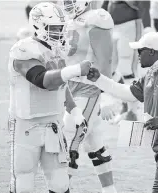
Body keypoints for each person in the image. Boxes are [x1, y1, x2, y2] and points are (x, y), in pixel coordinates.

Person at [86, 32, 158, 193]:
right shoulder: (151, 73)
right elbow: (127, 92)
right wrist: (99, 79)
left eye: (140, 51)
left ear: (152, 52)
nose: (137, 55)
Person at [8, 2, 91, 193]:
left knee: (60, 184)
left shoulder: (55, 50)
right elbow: (42, 80)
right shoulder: (23, 50)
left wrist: (76, 111)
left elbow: (60, 86)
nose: (59, 33)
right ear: (38, 25)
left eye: (61, 28)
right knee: (24, 184)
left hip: (53, 125)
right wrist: (76, 69)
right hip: (26, 127)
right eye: (54, 28)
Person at [61, 0, 118, 192]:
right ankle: (110, 190)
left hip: (88, 87)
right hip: (69, 86)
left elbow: (105, 59)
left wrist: (108, 94)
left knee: (71, 136)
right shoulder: (70, 20)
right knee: (94, 142)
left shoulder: (97, 19)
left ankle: (59, 188)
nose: (67, 3)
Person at [102, 0, 154, 122]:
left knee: (128, 69)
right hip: (112, 26)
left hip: (130, 25)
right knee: (111, 69)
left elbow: (144, 3)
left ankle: (132, 112)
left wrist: (147, 26)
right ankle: (126, 104)